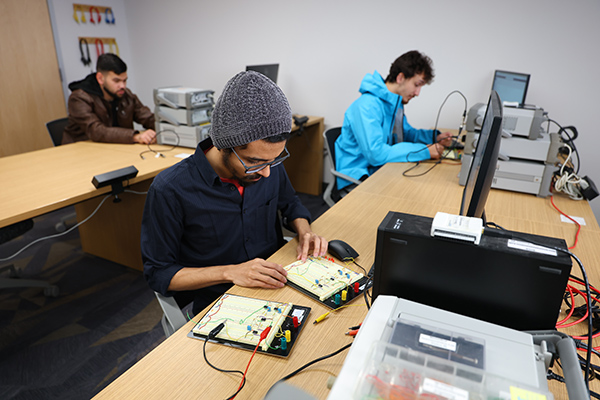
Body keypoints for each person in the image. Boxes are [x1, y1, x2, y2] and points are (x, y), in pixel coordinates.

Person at [141, 70, 328, 315]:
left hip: (277, 281)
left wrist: (305, 231)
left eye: (273, 161)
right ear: (224, 145)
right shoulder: (170, 189)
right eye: (255, 162)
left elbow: (290, 202)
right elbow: (159, 273)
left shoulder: (266, 164)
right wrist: (230, 271)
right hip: (219, 301)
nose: (267, 173)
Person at [335, 50, 453, 189]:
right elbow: (376, 154)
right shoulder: (367, 106)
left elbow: (406, 133)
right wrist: (424, 150)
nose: (417, 93)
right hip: (359, 177)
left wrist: (434, 137)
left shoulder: (395, 105)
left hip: (382, 169)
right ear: (400, 78)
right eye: (417, 84)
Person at [62, 53, 156, 144]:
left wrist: (166, 127)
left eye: (124, 80)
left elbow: (147, 117)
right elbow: (96, 131)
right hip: (81, 151)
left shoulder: (125, 94)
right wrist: (134, 137)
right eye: (116, 81)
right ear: (100, 78)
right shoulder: (79, 98)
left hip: (115, 149)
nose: (122, 86)